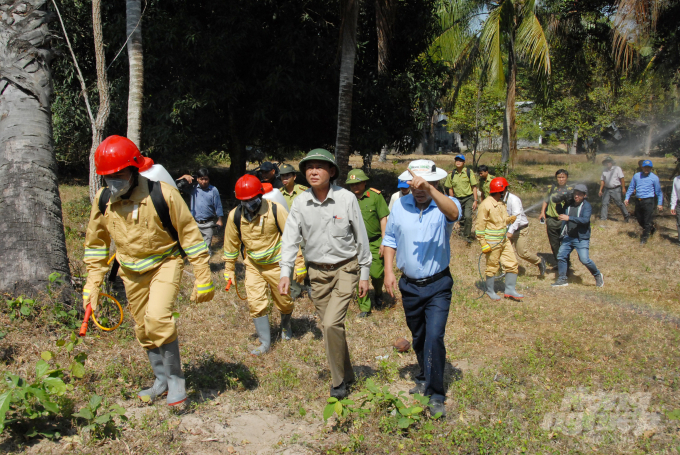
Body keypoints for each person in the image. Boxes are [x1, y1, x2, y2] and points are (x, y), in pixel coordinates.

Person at [83, 136, 215, 409]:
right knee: (143, 328)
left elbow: (190, 235)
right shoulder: (104, 199)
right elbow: (95, 246)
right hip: (130, 270)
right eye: (108, 177)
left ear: (134, 169)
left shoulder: (162, 193)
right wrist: (92, 285)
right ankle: (161, 381)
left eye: (119, 174)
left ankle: (177, 381)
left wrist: (203, 276)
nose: (114, 181)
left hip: (165, 263)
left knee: (157, 319)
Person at [278, 149, 371, 399]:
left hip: (345, 269)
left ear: (331, 172)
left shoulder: (346, 199)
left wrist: (364, 273)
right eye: (309, 167)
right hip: (317, 273)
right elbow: (289, 240)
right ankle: (348, 373)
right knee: (333, 327)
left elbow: (361, 238)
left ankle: (338, 383)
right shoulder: (300, 202)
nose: (314, 171)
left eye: (320, 167)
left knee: (330, 324)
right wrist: (285, 272)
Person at [382, 159, 461, 418]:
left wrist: (430, 189)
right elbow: (391, 238)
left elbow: (454, 214)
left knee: (435, 336)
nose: (417, 189)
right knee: (419, 336)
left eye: (422, 185)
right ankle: (424, 374)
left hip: (438, 284)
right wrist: (389, 271)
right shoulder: (400, 205)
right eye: (413, 185)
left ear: (435, 182)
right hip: (410, 286)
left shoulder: (443, 204)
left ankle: (436, 392)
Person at [223, 175, 306, 355]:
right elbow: (231, 245)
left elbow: (291, 237)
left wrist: (299, 263)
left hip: (277, 265)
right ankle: (265, 343)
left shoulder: (275, 211)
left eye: (252, 199)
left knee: (284, 301)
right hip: (254, 266)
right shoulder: (235, 216)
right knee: (255, 302)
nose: (249, 203)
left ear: (260, 196)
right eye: (245, 200)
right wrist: (229, 269)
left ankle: (285, 325)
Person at [346, 169, 390, 317]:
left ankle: (378, 293)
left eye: (358, 183)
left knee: (377, 274)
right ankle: (365, 307)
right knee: (358, 275)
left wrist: (384, 240)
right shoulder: (346, 199)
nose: (355, 187)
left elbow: (383, 218)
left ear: (364, 182)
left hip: (374, 241)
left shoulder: (375, 196)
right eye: (352, 185)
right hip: (355, 244)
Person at [475, 177, 524, 300]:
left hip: (504, 240)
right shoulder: (486, 205)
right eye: (505, 189)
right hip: (492, 242)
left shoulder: (502, 204)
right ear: (500, 190)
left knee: (512, 264)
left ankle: (510, 290)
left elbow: (501, 220)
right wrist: (483, 243)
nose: (506, 191)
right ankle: (490, 291)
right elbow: (479, 226)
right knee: (492, 267)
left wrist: (509, 219)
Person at [552, 184, 604, 287]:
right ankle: (562, 279)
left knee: (584, 259)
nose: (576, 196)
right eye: (575, 194)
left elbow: (585, 220)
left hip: (581, 238)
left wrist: (569, 218)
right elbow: (561, 213)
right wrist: (558, 202)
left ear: (584, 195)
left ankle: (597, 275)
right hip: (568, 236)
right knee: (561, 256)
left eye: (579, 194)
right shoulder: (570, 204)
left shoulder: (587, 206)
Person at [178, 168, 224, 255]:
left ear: (209, 179)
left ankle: (206, 266)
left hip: (208, 223)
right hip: (195, 223)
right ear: (197, 179)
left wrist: (220, 219)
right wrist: (183, 178)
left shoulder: (213, 190)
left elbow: (218, 205)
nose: (204, 181)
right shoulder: (193, 188)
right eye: (201, 179)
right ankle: (198, 266)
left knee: (206, 248)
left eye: (206, 179)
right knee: (195, 246)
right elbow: (177, 186)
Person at [505, 185, 547, 277]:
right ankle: (507, 271)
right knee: (502, 251)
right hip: (508, 229)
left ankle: (539, 261)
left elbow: (517, 218)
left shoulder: (514, 200)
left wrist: (510, 232)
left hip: (520, 229)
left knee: (522, 253)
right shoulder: (497, 200)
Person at [539, 169, 574, 265]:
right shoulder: (552, 189)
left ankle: (566, 263)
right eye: (559, 177)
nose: (561, 179)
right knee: (554, 244)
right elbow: (545, 200)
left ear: (566, 178)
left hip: (563, 221)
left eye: (563, 177)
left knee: (565, 243)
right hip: (551, 219)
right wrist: (542, 212)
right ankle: (559, 263)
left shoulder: (570, 190)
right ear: (556, 178)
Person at [625, 160, 663, 245]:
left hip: (648, 201)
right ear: (642, 167)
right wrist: (627, 198)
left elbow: (659, 192)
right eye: (645, 167)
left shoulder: (654, 178)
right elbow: (631, 187)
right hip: (638, 200)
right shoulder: (636, 176)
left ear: (651, 168)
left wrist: (660, 203)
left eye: (648, 167)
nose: (647, 169)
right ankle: (651, 228)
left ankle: (644, 238)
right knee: (639, 218)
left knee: (647, 219)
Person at [443, 155, 478, 243]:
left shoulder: (469, 172)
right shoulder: (451, 174)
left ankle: (467, 236)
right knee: (460, 217)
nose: (458, 162)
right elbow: (450, 188)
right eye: (457, 160)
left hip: (468, 198)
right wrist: (452, 200)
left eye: (460, 160)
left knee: (468, 216)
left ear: (464, 162)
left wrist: (475, 200)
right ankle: (462, 233)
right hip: (457, 198)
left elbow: (474, 187)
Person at [598, 156, 629, 222]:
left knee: (619, 203)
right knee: (604, 203)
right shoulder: (604, 170)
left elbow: (622, 178)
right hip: (607, 189)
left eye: (609, 162)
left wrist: (623, 188)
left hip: (616, 189)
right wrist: (600, 190)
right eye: (606, 162)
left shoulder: (617, 169)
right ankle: (603, 218)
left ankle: (626, 215)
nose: (608, 163)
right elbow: (602, 180)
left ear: (611, 163)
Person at [671, 174, 680, 246]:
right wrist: (673, 205)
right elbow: (674, 194)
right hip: (679, 204)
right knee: (679, 222)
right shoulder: (676, 179)